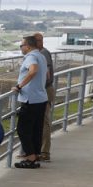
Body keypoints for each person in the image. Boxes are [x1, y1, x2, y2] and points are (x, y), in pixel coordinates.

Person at [13, 36, 48, 167]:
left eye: (21, 45)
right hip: (41, 98)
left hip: (30, 99)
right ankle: (35, 155)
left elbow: (33, 70)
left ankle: (31, 158)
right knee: (36, 129)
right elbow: (47, 74)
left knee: (23, 129)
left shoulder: (30, 57)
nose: (21, 48)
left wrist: (19, 86)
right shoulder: (42, 56)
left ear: (27, 46)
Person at [36, 34, 56, 162]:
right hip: (42, 91)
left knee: (44, 122)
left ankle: (44, 152)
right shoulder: (40, 53)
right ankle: (38, 151)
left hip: (44, 91)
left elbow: (47, 76)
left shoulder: (43, 53)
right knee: (40, 122)